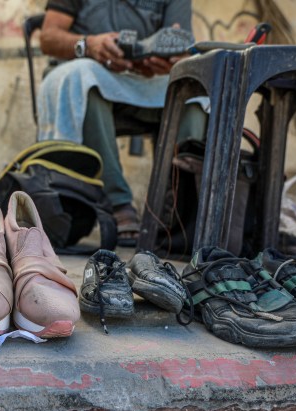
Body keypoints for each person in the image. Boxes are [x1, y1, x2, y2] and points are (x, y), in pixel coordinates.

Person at [37, 0, 195, 246]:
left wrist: (167, 60)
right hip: (88, 70)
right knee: (83, 79)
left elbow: (183, 49)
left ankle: (179, 213)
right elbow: (48, 38)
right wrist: (88, 45)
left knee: (195, 95)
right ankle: (117, 203)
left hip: (145, 80)